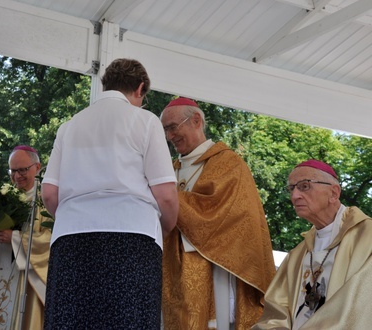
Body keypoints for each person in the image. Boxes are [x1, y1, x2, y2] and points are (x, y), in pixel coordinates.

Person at [41, 58, 179, 329]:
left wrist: (75, 214)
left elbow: (49, 193)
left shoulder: (69, 127)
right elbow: (166, 195)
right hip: (132, 239)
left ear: (106, 85)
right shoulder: (146, 121)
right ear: (139, 89)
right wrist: (165, 227)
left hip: (71, 241)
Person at [160, 97, 276, 329]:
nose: (169, 137)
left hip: (213, 269)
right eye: (165, 130)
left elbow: (228, 217)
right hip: (171, 269)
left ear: (196, 120)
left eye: (173, 127)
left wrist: (168, 196)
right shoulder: (167, 170)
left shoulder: (229, 164)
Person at [253, 159, 372, 329]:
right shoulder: (297, 255)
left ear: (334, 193)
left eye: (304, 186)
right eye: (291, 188)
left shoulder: (367, 239)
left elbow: (361, 309)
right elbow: (276, 311)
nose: (294, 196)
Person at [0, 145, 51, 330]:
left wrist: (15, 238)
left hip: (27, 282)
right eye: (13, 171)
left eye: (23, 170)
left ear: (37, 167)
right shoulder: (1, 199)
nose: (17, 176)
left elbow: (50, 239)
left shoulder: (45, 201)